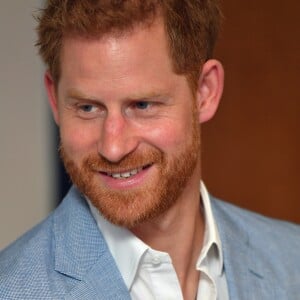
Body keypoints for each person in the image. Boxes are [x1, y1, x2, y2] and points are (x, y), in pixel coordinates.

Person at [0, 0, 299, 299]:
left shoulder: (292, 260)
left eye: (142, 105)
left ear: (205, 92)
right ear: (54, 99)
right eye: (88, 108)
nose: (113, 148)